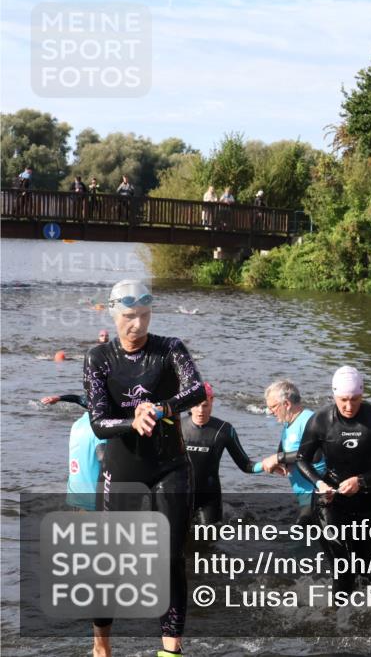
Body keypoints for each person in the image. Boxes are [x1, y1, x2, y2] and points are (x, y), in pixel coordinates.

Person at [83, 279, 206, 657]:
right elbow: (97, 421)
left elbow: (197, 390)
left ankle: (170, 650)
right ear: (113, 313)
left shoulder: (170, 349)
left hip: (170, 465)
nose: (137, 325)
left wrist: (160, 408)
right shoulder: (99, 358)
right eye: (129, 316)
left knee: (170, 556)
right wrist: (131, 422)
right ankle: (102, 646)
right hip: (123, 466)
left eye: (144, 315)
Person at [297, 366, 371, 593]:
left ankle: (358, 619)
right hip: (330, 501)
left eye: (355, 399)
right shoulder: (320, 420)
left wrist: (361, 481)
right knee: (342, 567)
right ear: (334, 395)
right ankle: (336, 620)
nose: (349, 406)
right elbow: (302, 459)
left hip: (367, 501)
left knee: (365, 575)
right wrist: (320, 484)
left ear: (362, 394)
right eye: (343, 400)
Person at [182, 381, 262, 525]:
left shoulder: (224, 430)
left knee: (210, 540)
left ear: (212, 402)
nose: (200, 410)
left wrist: (268, 464)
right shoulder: (178, 428)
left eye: (205, 405)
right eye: (196, 405)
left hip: (209, 498)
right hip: (180, 496)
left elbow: (246, 465)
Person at [261, 379, 325, 525]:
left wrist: (278, 458)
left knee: (299, 538)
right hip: (304, 497)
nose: (270, 412)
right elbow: (287, 445)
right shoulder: (289, 423)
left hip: (317, 495)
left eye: (273, 407)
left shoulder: (309, 420)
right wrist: (281, 462)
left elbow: (315, 454)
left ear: (287, 404)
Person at [41, 393, 103, 512]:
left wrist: (59, 398)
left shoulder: (77, 424)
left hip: (75, 497)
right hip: (94, 502)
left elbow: (78, 399)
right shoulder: (101, 428)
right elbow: (104, 460)